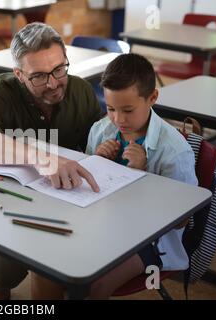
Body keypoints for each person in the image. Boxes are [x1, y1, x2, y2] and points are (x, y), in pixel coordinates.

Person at [31, 53, 198, 299]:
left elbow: (181, 221)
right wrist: (95, 162)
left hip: (149, 241)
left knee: (94, 284)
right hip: (100, 225)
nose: (119, 119)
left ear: (152, 98)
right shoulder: (100, 130)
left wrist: (142, 175)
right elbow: (86, 191)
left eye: (128, 110)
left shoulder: (174, 151)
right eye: (110, 108)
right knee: (44, 268)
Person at [0, 22, 102, 300]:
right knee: (6, 271)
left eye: (59, 69)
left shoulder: (81, 91)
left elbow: (94, 148)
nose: (53, 83)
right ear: (18, 74)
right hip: (11, 200)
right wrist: (40, 159)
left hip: (66, 197)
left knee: (81, 262)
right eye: (38, 76)